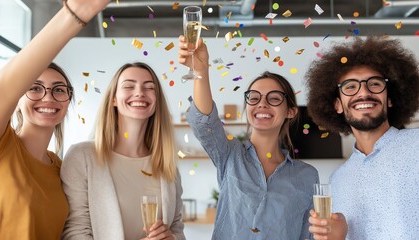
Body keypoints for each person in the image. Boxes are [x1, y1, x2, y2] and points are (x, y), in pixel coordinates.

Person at [178, 36, 319, 239]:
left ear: (291, 111)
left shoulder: (308, 176)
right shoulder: (229, 154)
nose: (262, 104)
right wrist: (201, 71)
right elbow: (205, 123)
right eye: (254, 97)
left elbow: (309, 235)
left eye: (274, 98)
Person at [0, 0, 109, 239]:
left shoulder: (62, 170)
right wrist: (74, 15)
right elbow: (4, 87)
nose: (48, 97)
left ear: (67, 101)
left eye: (58, 89)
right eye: (34, 88)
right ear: (18, 101)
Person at [306, 36, 419, 240]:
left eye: (375, 84)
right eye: (350, 87)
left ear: (390, 98)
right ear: (337, 105)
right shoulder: (338, 180)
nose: (364, 93)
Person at [61, 62, 185, 240]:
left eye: (149, 88)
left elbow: (177, 229)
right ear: (113, 99)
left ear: (157, 101)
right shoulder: (82, 157)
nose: (140, 93)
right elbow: (75, 233)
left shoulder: (167, 165)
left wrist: (171, 238)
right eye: (129, 86)